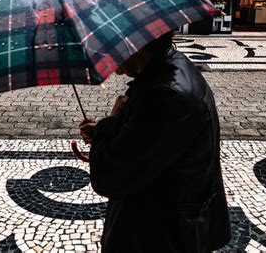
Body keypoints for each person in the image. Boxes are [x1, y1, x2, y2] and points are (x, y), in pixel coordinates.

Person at [79, 32, 231, 252]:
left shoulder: (164, 96)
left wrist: (111, 123)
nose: (108, 56)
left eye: (113, 46)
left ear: (136, 46)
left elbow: (108, 176)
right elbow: (149, 142)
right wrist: (110, 128)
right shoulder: (173, 67)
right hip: (171, 224)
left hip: (159, 235)